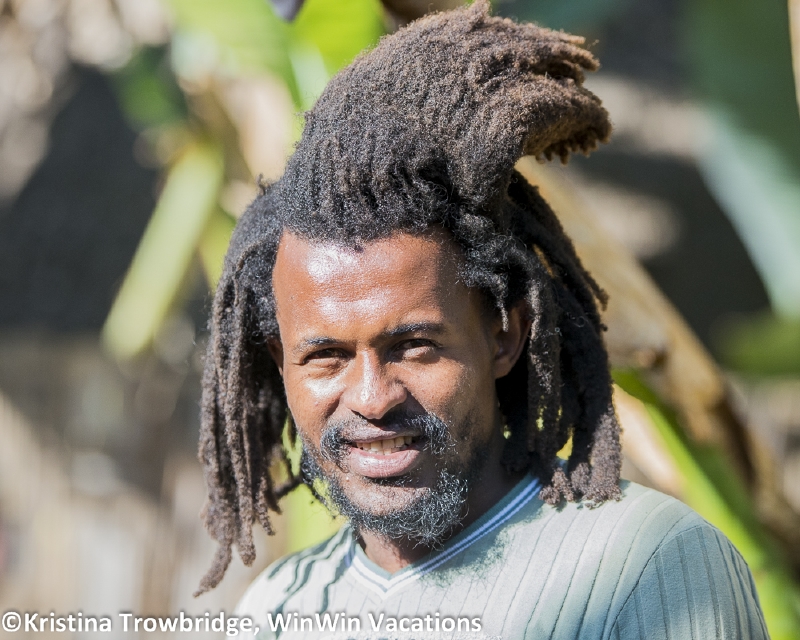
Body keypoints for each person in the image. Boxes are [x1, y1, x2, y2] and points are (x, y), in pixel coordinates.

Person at [196, 2, 769, 638]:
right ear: (281, 364)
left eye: (414, 345)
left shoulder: (642, 566)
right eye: (325, 356)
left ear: (505, 334)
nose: (372, 398)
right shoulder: (278, 608)